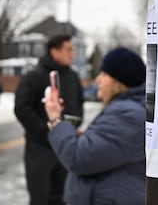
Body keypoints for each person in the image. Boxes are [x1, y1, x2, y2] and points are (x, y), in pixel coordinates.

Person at [45, 46, 146, 205]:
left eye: (104, 74)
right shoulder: (127, 110)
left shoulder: (127, 115)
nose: (97, 79)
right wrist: (83, 138)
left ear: (119, 81)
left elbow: (77, 157)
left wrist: (55, 119)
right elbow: (105, 151)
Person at [14, 34, 84, 205]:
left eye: (72, 50)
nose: (72, 54)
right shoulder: (34, 76)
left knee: (62, 196)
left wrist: (74, 125)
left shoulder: (73, 77)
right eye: (68, 49)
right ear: (54, 51)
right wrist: (48, 131)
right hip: (40, 149)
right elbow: (22, 108)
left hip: (65, 148)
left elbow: (79, 103)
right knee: (40, 197)